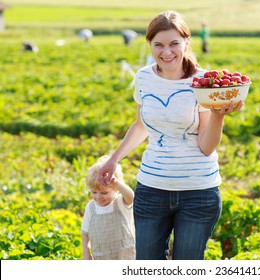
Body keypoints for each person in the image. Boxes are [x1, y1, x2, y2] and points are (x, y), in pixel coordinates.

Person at [98, 10, 243, 260]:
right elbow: (141, 125)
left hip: (198, 191)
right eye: (159, 45)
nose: (167, 52)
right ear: (150, 45)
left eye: (174, 43)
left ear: (186, 42)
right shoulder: (144, 77)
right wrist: (113, 159)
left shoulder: (204, 82)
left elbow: (206, 147)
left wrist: (218, 114)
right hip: (151, 190)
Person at [81, 155, 136, 260]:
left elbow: (131, 196)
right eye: (94, 192)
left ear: (116, 189)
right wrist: (86, 253)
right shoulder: (90, 207)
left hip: (125, 256)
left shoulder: (121, 202)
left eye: (104, 192)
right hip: (101, 256)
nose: (98, 197)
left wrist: (115, 182)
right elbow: (85, 232)